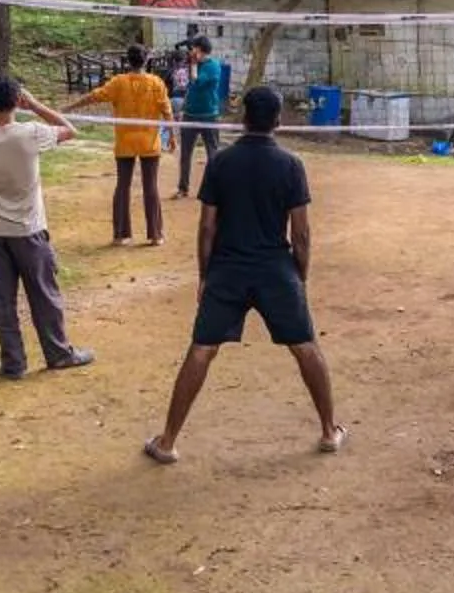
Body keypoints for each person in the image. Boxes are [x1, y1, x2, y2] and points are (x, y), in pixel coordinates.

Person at [143, 84, 341, 463]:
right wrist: (299, 275)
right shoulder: (290, 165)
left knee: (201, 350)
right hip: (275, 269)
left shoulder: (221, 162)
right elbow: (300, 232)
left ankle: (167, 442)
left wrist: (204, 275)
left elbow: (206, 227)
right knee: (305, 346)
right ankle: (329, 432)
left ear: (243, 118)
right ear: (278, 122)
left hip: (227, 270)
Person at [0, 77, 95, 380]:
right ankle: (58, 353)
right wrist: (35, 105)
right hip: (29, 229)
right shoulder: (30, 133)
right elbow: (71, 129)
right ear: (17, 101)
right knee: (44, 294)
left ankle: (13, 363)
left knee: (3, 300)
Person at [72, 44, 172, 244]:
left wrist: (70, 107)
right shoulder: (156, 83)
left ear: (128, 60)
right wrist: (172, 136)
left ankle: (120, 234)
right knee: (150, 186)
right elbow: (166, 110)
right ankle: (155, 235)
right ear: (146, 61)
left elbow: (95, 96)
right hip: (149, 142)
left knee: (123, 185)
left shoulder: (118, 83)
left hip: (125, 142)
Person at [174, 35, 229, 199]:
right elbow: (185, 84)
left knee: (212, 153)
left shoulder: (213, 66)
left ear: (200, 49)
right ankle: (183, 187)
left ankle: (215, 188)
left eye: (194, 48)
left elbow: (197, 82)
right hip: (190, 114)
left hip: (208, 115)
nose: (191, 51)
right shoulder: (195, 65)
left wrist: (194, 64)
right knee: (185, 153)